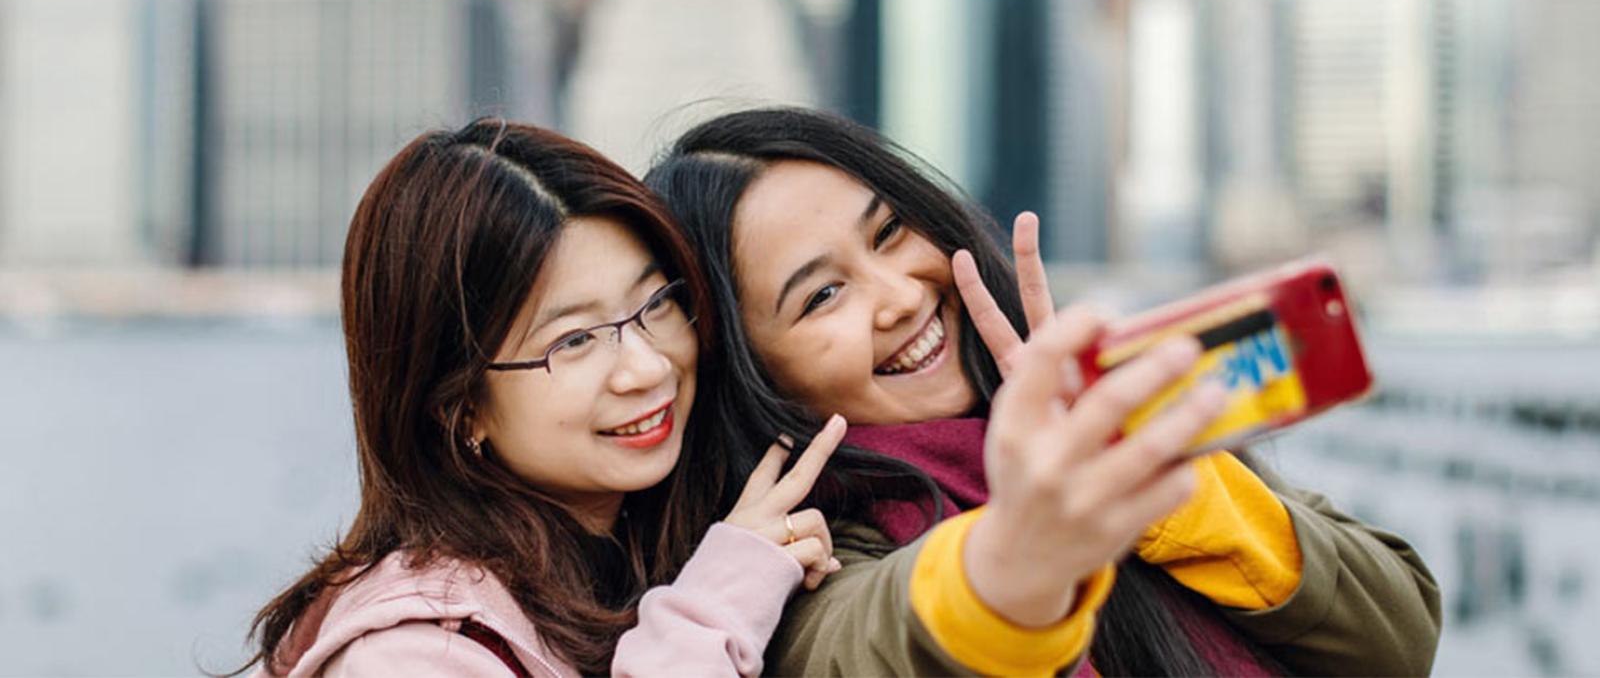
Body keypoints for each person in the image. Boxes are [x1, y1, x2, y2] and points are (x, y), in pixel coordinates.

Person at [646, 106, 1443, 676]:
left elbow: (1398, 635)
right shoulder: (795, 572)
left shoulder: (1110, 420)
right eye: (821, 297)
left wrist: (1160, 485)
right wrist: (1020, 553)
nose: (897, 294)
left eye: (890, 233)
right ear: (756, 377)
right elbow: (868, 646)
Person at [242, 119, 847, 677]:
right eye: (576, 340)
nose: (647, 366)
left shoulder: (670, 543)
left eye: (656, 303)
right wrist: (718, 607)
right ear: (458, 409)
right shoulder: (413, 652)